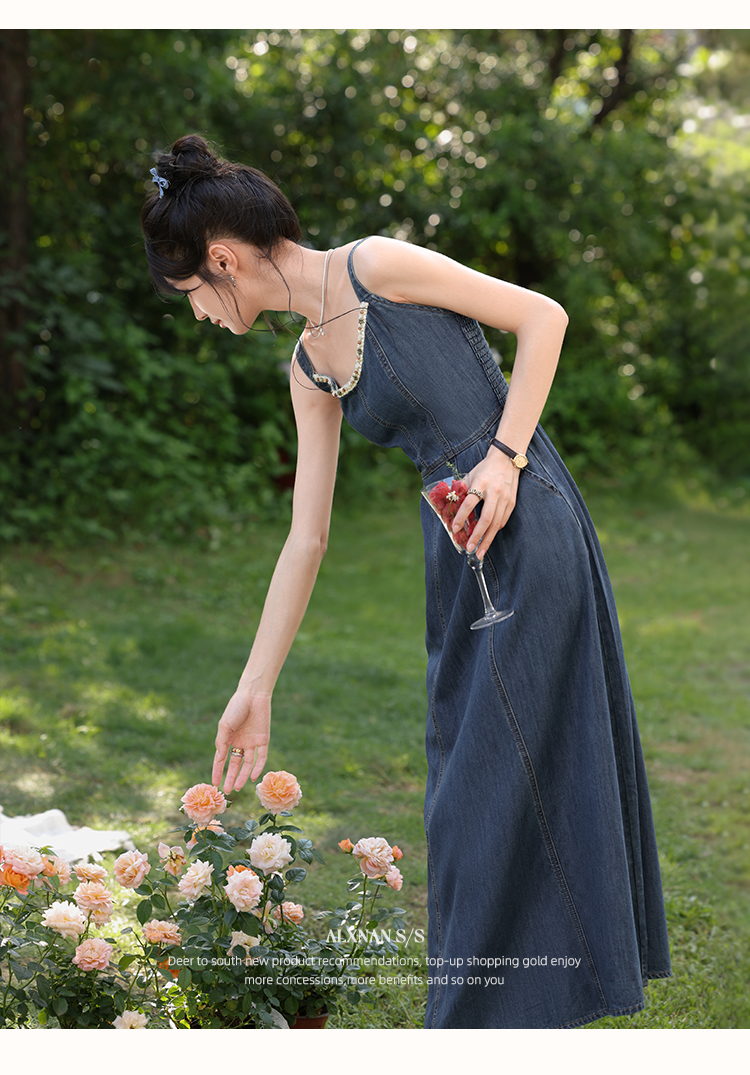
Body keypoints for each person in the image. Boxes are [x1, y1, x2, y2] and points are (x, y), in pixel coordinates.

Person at [140, 134, 671, 1029]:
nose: (197, 314)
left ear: (222, 260)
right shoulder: (310, 367)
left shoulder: (378, 265)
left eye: (190, 291)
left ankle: (472, 1024)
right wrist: (254, 687)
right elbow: (305, 539)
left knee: (488, 789)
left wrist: (504, 458)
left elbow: (543, 317)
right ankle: (511, 1013)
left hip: (526, 517)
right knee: (467, 791)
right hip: (457, 551)